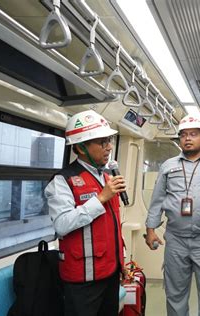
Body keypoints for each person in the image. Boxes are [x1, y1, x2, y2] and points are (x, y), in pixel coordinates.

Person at [145, 115, 200, 316]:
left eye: (193, 134)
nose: (187, 139)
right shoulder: (168, 165)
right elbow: (157, 200)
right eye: (183, 135)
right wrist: (150, 230)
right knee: (175, 295)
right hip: (175, 239)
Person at [44, 110, 126, 316]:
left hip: (110, 273)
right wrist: (99, 199)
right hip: (82, 279)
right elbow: (62, 224)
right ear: (80, 148)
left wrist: (121, 262)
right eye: (102, 142)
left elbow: (113, 226)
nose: (109, 147)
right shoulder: (63, 180)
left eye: (109, 140)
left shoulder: (108, 176)